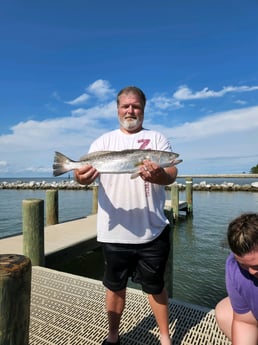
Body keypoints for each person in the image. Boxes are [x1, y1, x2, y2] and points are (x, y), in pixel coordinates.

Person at [74, 86, 178, 345]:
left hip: (152, 229)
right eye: (126, 106)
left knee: (156, 287)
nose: (131, 110)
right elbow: (82, 175)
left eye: (136, 106)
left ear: (143, 109)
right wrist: (79, 177)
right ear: (117, 108)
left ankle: (165, 338)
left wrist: (161, 175)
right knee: (114, 287)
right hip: (114, 231)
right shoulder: (102, 142)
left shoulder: (157, 139)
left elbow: (172, 173)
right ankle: (113, 336)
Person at [215, 213, 258, 344]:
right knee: (224, 312)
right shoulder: (234, 267)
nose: (251, 272)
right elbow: (245, 322)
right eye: (244, 265)